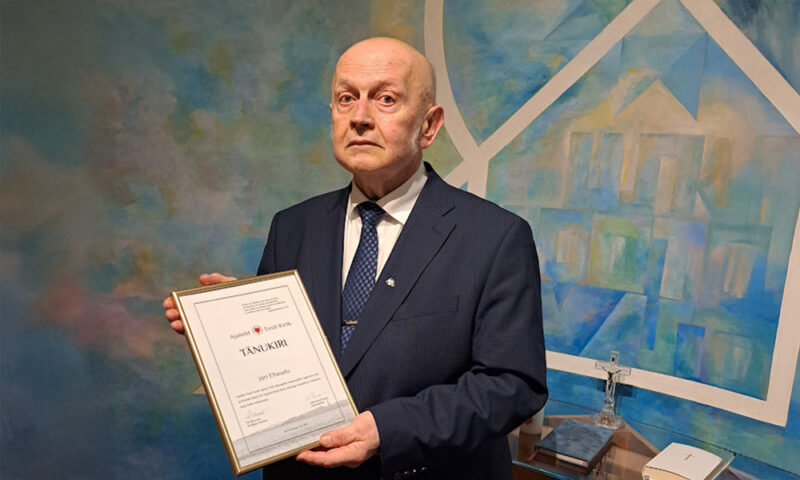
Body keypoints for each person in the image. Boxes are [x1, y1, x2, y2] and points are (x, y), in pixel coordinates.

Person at [164, 37, 547, 480]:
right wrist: (239, 325)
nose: (360, 117)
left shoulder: (496, 237)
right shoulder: (292, 226)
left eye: (386, 99)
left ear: (429, 125)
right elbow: (285, 372)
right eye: (347, 98)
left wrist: (389, 430)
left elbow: (513, 385)